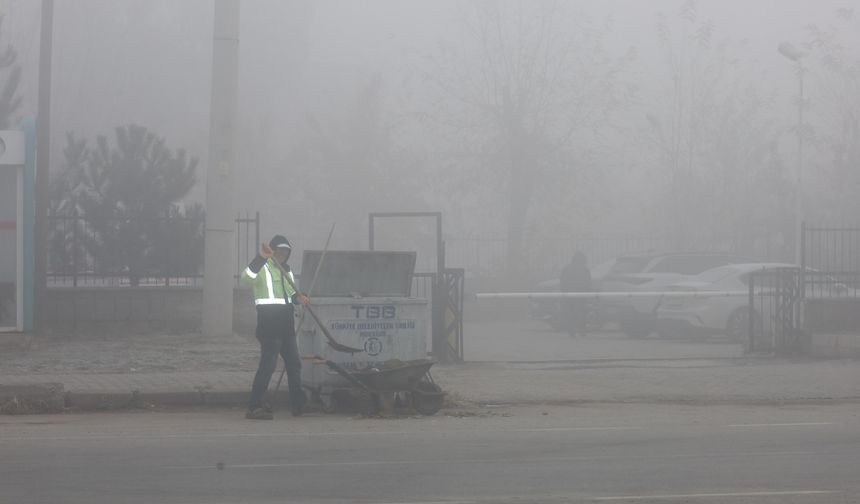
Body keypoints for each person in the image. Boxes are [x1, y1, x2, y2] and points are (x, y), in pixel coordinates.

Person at [240, 234, 310, 420]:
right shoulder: (262, 267)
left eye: (286, 251)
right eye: (279, 250)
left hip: (286, 326)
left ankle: (298, 404)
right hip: (269, 326)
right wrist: (260, 258)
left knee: (294, 364)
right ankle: (254, 406)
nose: (283, 254)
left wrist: (299, 297)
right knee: (268, 367)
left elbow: (290, 293)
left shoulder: (286, 270)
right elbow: (245, 279)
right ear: (272, 251)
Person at [559, 251, 593, 337]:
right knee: (582, 312)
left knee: (570, 312)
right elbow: (588, 282)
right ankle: (582, 330)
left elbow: (562, 281)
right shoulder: (584, 269)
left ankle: (571, 330)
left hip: (569, 294)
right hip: (581, 295)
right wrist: (587, 292)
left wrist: (564, 292)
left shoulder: (567, 268)